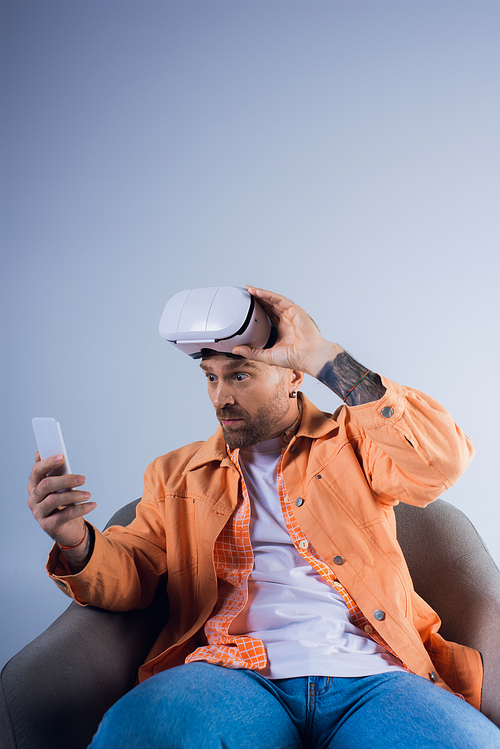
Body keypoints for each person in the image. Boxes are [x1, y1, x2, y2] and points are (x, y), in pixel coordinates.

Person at [28, 286, 500, 748]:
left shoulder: (354, 442)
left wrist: (324, 357)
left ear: (293, 376)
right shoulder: (176, 474)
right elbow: (133, 575)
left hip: (374, 675)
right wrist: (76, 540)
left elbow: (442, 461)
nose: (220, 398)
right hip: (233, 673)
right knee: (139, 732)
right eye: (210, 377)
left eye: (239, 376)